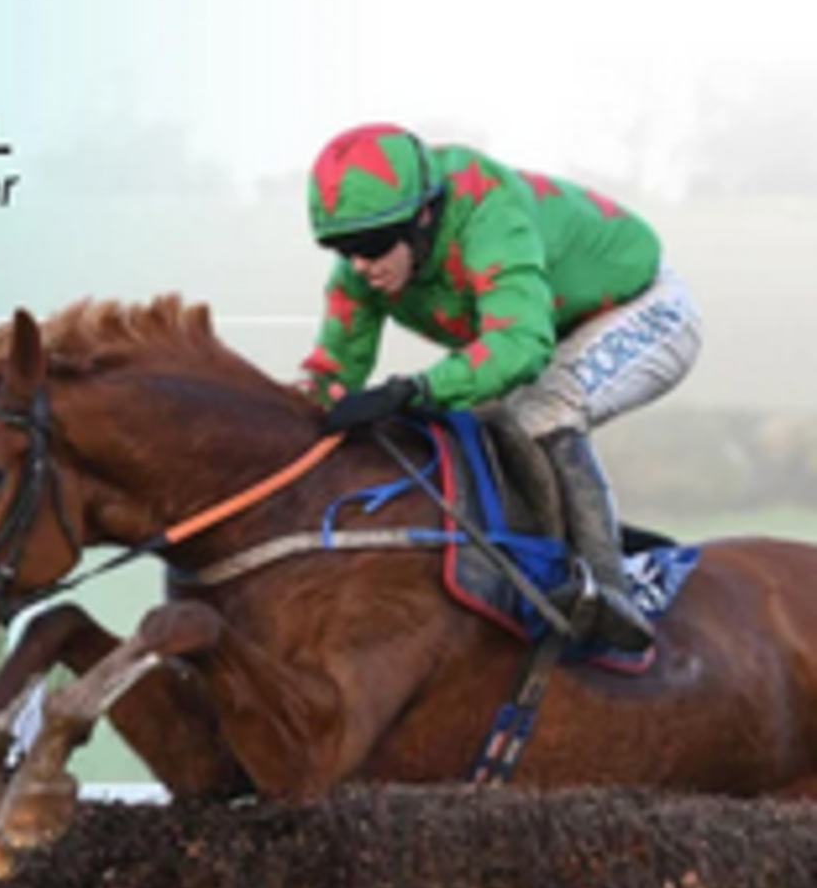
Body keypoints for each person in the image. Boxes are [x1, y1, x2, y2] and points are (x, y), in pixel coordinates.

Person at [301, 122, 702, 653]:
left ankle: (612, 593)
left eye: (374, 246)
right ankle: (590, 552)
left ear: (425, 215)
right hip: (554, 324)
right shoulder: (363, 266)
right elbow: (329, 376)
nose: (361, 265)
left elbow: (519, 346)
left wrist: (412, 389)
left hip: (645, 306)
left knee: (543, 408)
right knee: (473, 422)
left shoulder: (489, 213)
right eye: (343, 248)